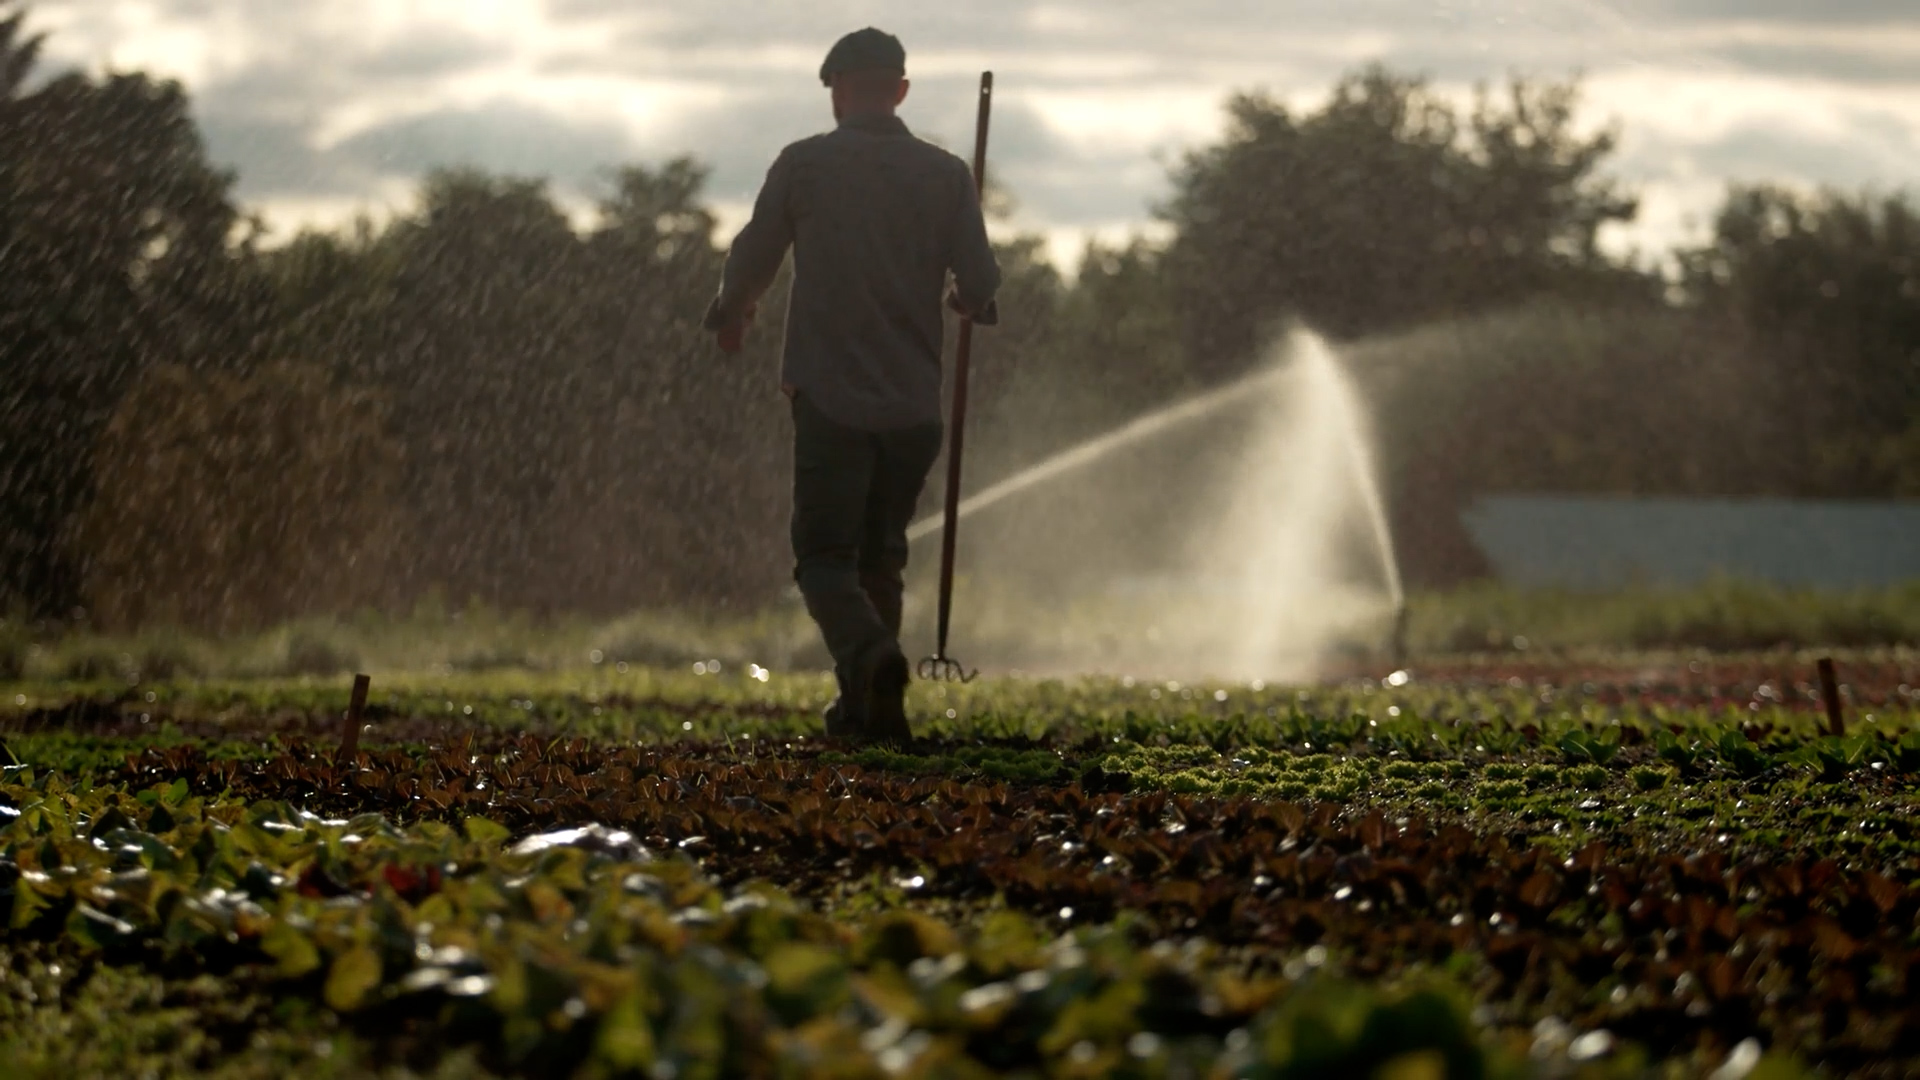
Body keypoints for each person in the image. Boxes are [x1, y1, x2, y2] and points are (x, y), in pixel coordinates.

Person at [702, 28, 1002, 744]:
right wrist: (966, 298)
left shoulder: (805, 165)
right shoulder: (946, 173)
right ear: (899, 90)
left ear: (837, 93)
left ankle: (871, 658)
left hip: (831, 398)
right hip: (911, 406)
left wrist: (733, 313)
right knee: (881, 556)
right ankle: (869, 710)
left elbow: (753, 257)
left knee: (825, 559)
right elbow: (983, 281)